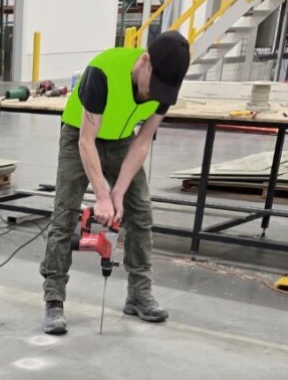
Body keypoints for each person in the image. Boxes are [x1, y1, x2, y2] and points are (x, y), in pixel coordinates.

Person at [40, 31, 190, 335]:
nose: (155, 95)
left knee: (141, 212)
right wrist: (102, 194)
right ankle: (54, 299)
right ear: (145, 61)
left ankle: (138, 294)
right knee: (65, 214)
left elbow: (143, 141)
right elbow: (86, 139)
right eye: (155, 85)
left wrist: (118, 192)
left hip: (123, 141)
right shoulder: (103, 73)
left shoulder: (164, 89)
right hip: (79, 137)